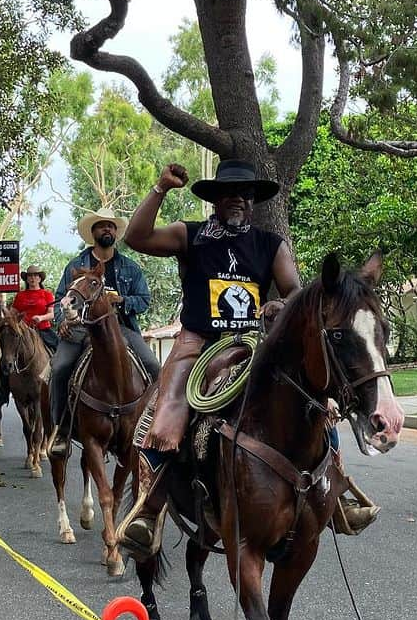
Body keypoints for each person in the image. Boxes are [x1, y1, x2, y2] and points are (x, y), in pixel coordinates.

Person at [114, 159, 303, 558]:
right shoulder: (192, 235)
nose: (237, 199)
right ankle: (149, 511)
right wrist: (161, 188)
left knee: (313, 401)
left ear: (253, 201)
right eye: (228, 192)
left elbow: (294, 294)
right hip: (197, 345)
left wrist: (278, 306)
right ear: (216, 199)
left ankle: (337, 494)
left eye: (245, 193)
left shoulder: (271, 245)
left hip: (253, 344)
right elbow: (137, 237)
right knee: (164, 417)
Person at [48, 209, 161, 456]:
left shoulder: (130, 268)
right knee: (59, 368)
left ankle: (154, 426)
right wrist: (62, 321)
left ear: (116, 233)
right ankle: (62, 429)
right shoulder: (76, 266)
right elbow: (59, 300)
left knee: (154, 366)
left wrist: (121, 300)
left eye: (110, 226)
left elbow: (144, 300)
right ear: (93, 233)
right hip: (81, 328)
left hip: (120, 327)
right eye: (101, 226)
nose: (106, 230)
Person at [11, 265, 57, 352]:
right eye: (30, 276)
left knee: (58, 346)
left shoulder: (47, 294)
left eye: (36, 276)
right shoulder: (20, 295)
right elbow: (12, 313)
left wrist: (41, 318)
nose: (33, 278)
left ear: (40, 279)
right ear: (26, 279)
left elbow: (51, 314)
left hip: (43, 329)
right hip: (23, 331)